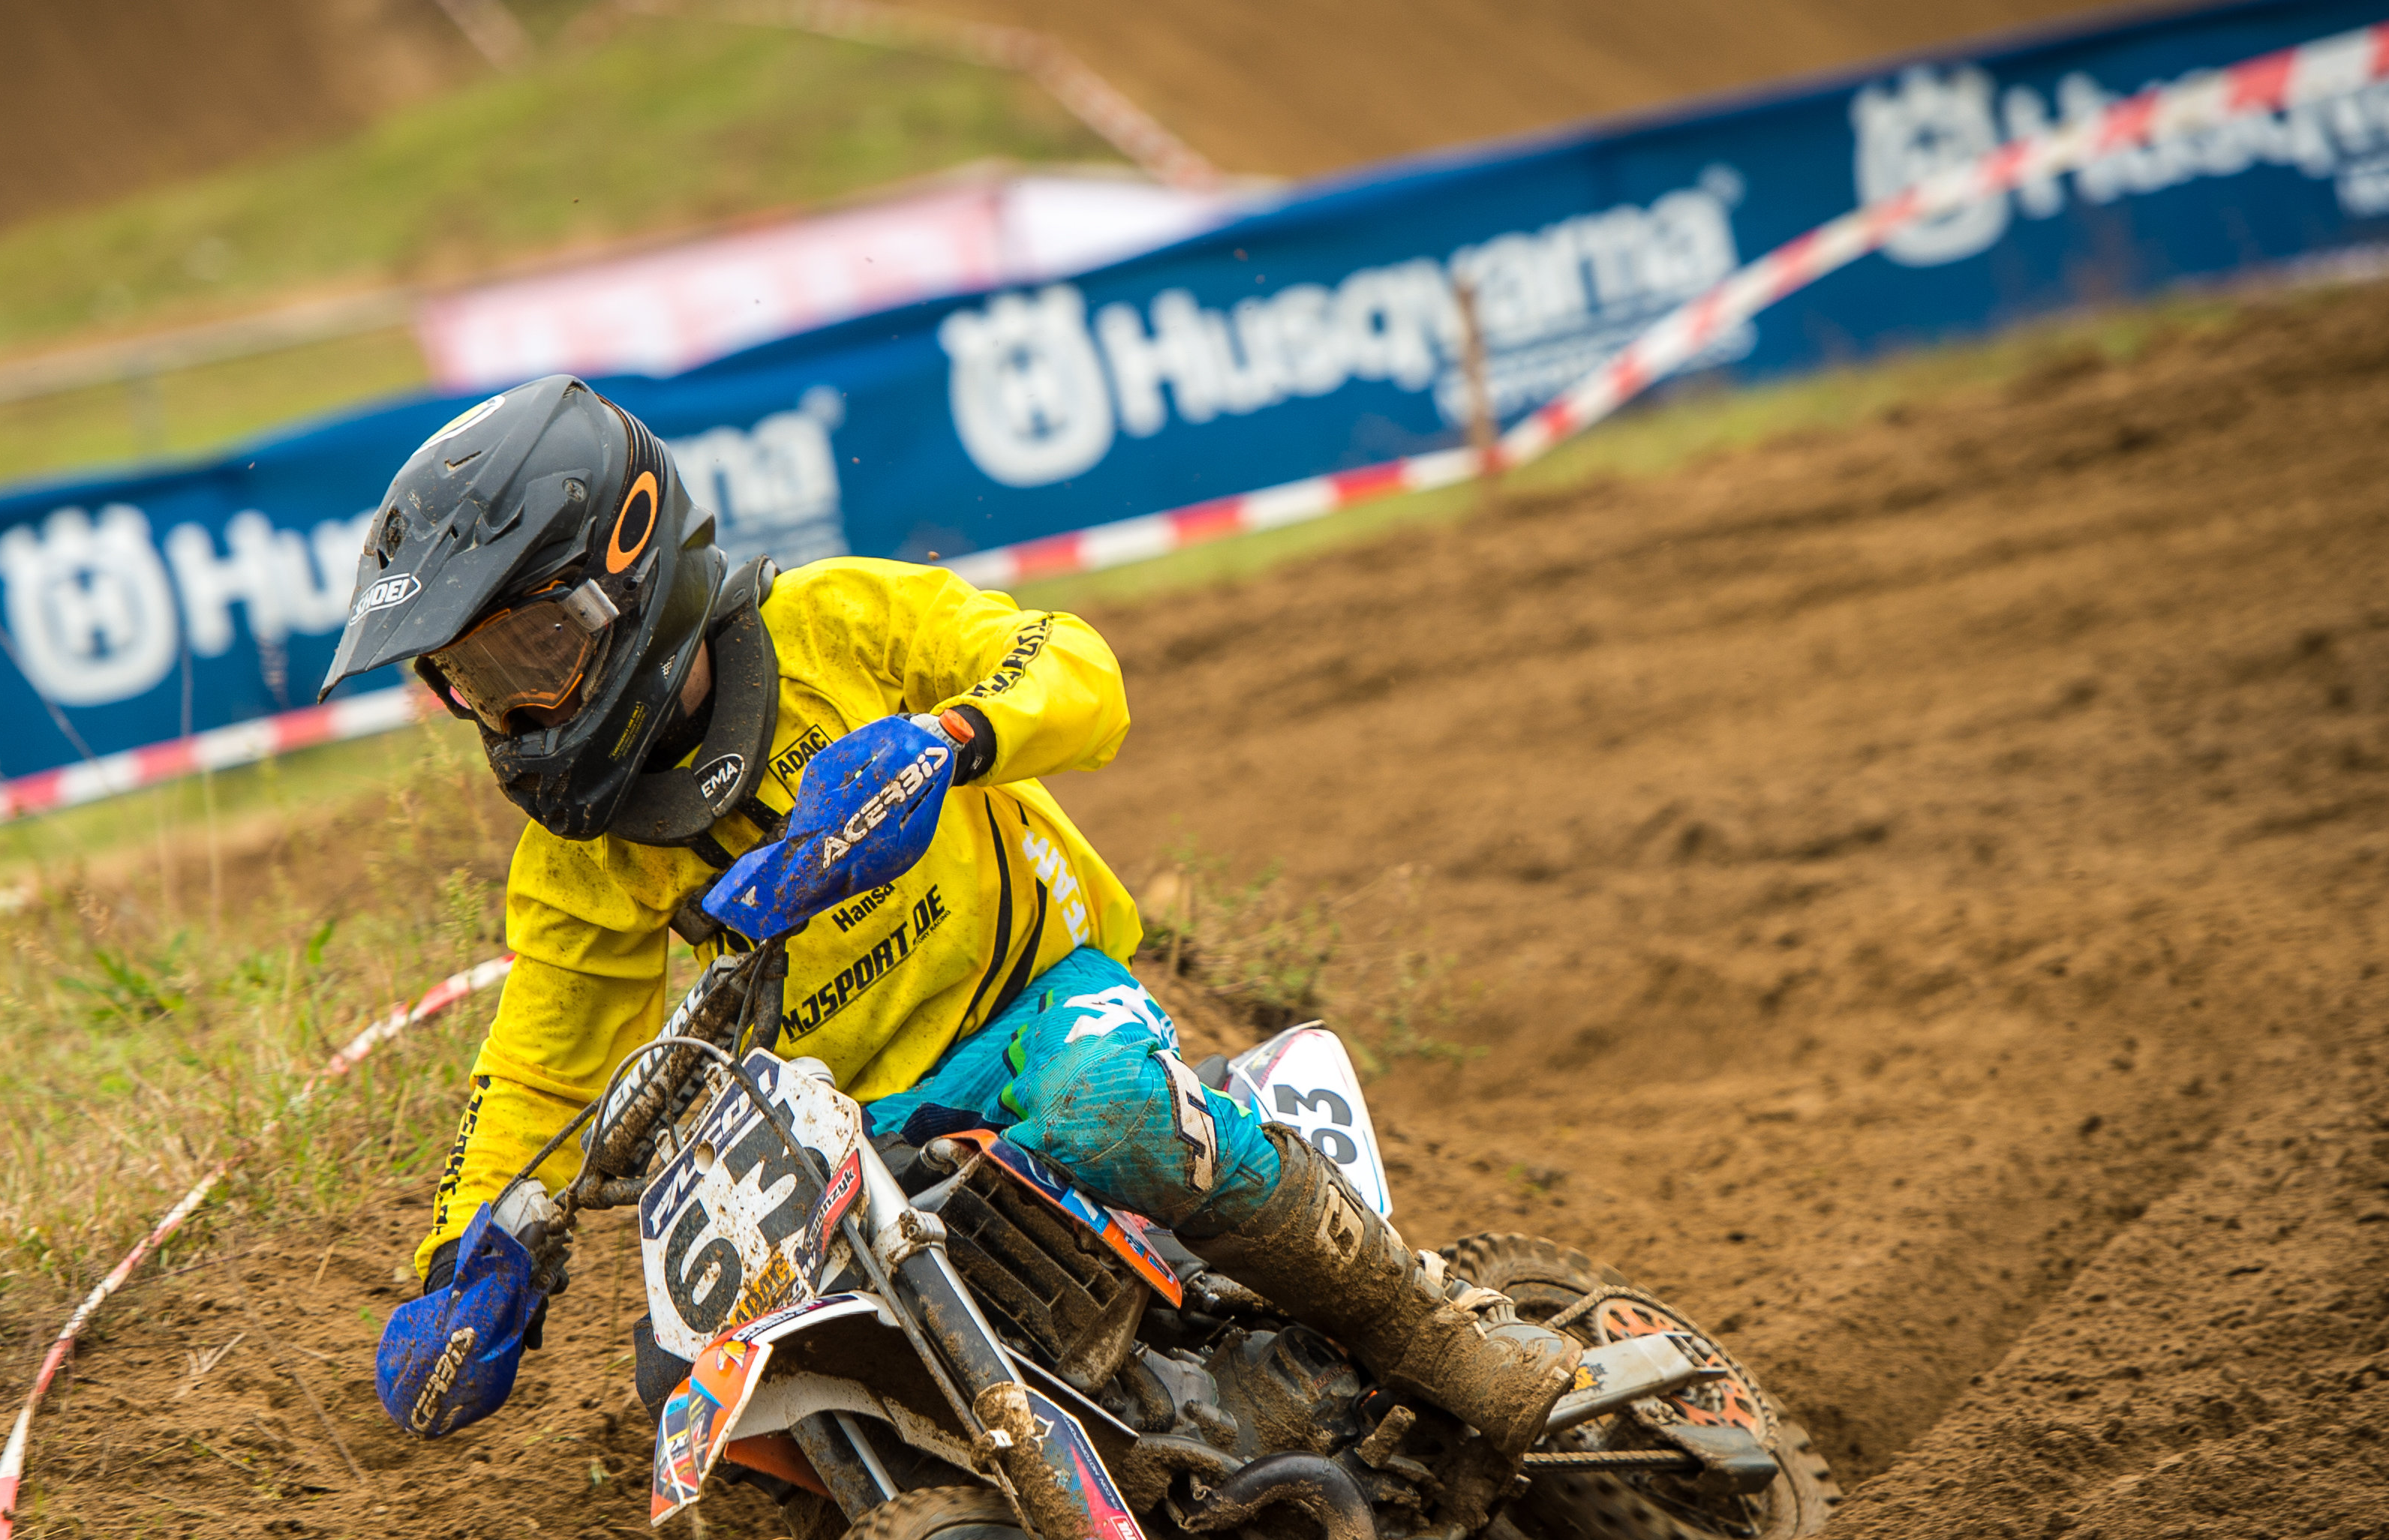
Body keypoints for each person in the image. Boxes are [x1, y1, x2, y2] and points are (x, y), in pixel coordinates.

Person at [322, 375, 1574, 1457]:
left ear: (627, 575)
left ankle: (1434, 1334)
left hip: (1035, 1012)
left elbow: (1075, 666)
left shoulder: (837, 626)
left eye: (534, 657)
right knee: (684, 1366)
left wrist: (950, 739)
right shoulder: (574, 861)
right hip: (849, 1139)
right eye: (477, 684)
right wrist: (465, 1258)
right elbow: (540, 1071)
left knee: (1107, 1105)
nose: (517, 715)